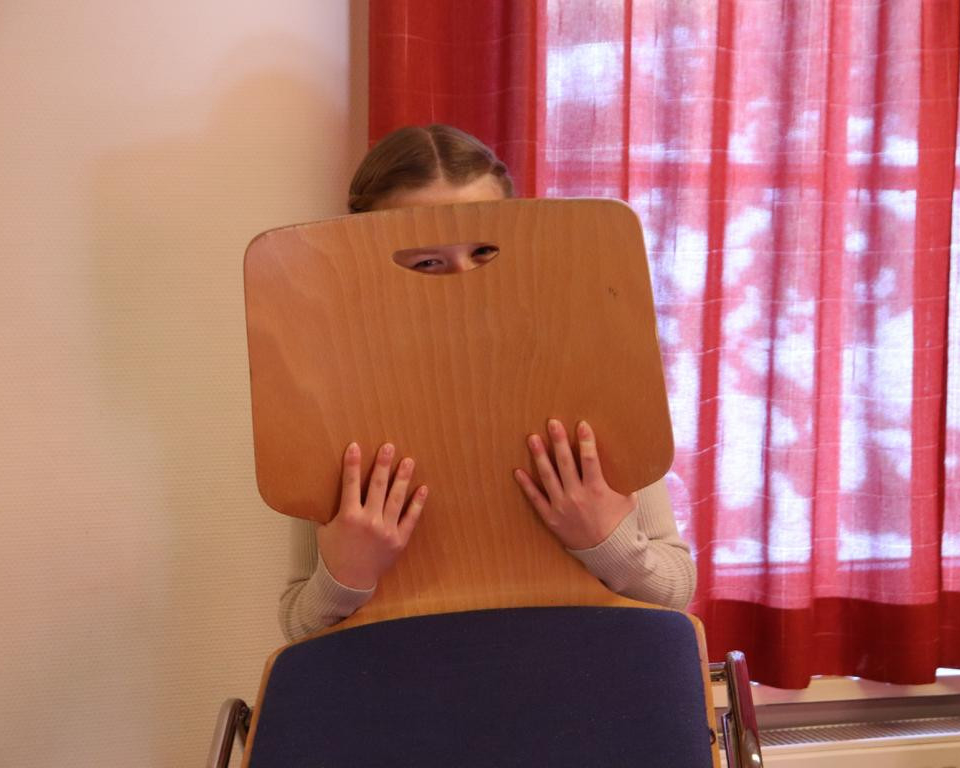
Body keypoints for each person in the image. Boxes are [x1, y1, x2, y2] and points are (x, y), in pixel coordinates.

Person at [278, 125, 695, 642]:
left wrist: (606, 540)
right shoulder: (336, 406)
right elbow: (298, 626)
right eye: (428, 262)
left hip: (579, 669)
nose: (462, 281)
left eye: (483, 253)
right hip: (408, 678)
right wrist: (346, 575)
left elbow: (674, 590)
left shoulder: (590, 376)